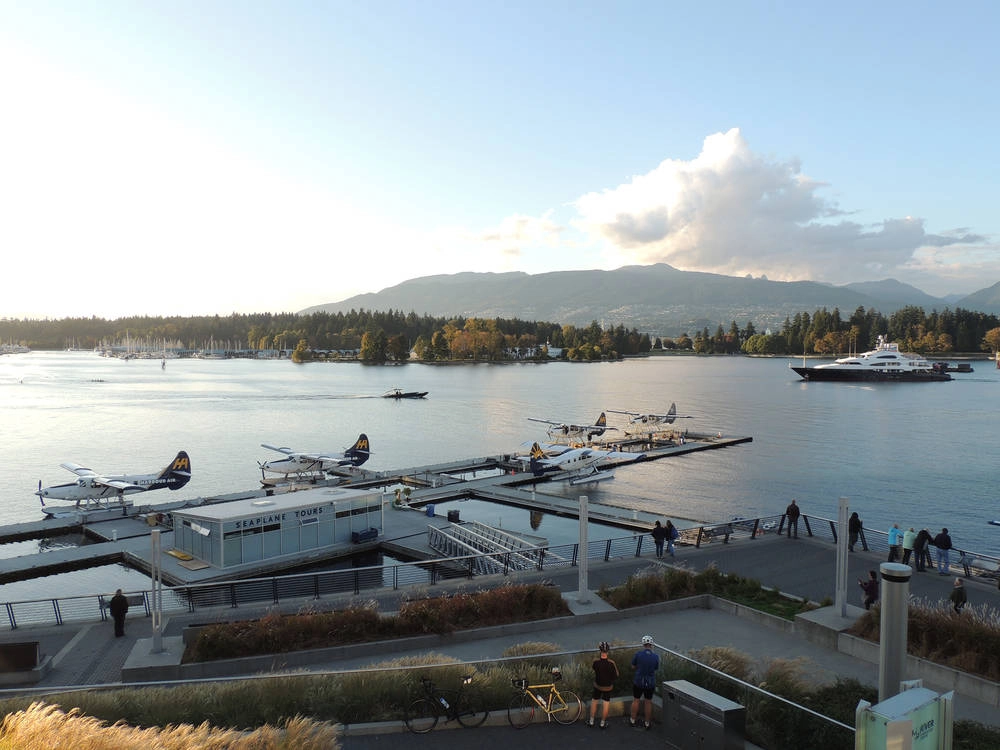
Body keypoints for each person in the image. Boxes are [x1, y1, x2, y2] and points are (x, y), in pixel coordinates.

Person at [586, 641, 619, 729]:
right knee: (606, 704)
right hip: (608, 687)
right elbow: (616, 675)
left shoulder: (595, 662)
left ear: (600, 651)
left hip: (598, 686)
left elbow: (593, 669)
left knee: (594, 701)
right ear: (608, 651)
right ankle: (602, 723)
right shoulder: (611, 663)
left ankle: (591, 721)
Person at [630, 635, 659, 730]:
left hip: (638, 681)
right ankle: (647, 722)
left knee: (636, 700)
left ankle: (632, 720)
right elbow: (655, 668)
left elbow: (633, 666)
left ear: (643, 644)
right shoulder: (655, 656)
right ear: (651, 645)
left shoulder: (638, 654)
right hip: (650, 683)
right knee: (648, 702)